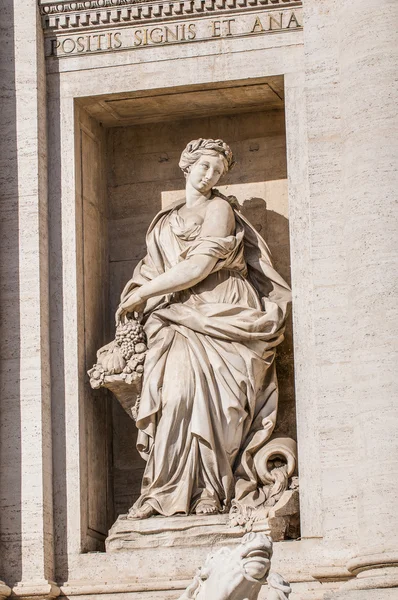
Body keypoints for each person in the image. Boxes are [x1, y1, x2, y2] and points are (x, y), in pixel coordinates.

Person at [115, 138, 291, 519]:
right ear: (186, 165)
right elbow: (153, 268)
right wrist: (138, 293)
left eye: (218, 170)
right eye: (204, 166)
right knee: (175, 398)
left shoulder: (219, 209)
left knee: (221, 407)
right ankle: (163, 492)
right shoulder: (164, 221)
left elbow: (197, 268)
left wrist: (142, 293)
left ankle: (212, 491)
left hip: (221, 310)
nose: (210, 175)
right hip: (177, 315)